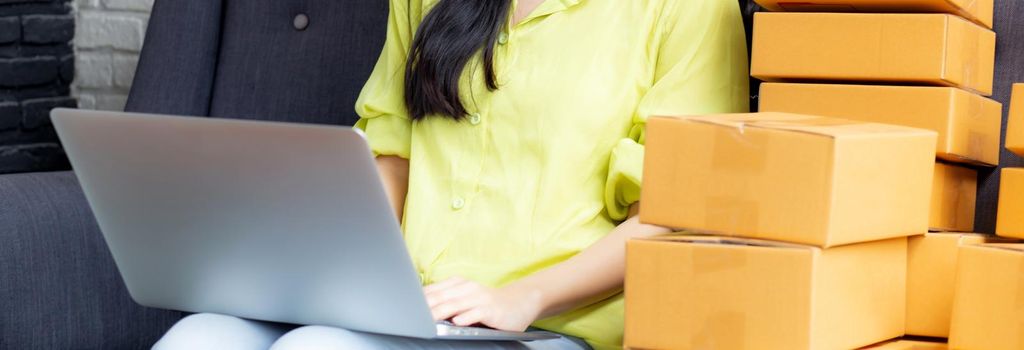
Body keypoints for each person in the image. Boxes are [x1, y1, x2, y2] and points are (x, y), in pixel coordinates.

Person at [153, 0, 749, 349]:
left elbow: (679, 212)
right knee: (199, 338)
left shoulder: (690, 9)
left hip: (543, 326)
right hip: (405, 304)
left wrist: (522, 295)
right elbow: (394, 150)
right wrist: (338, 270)